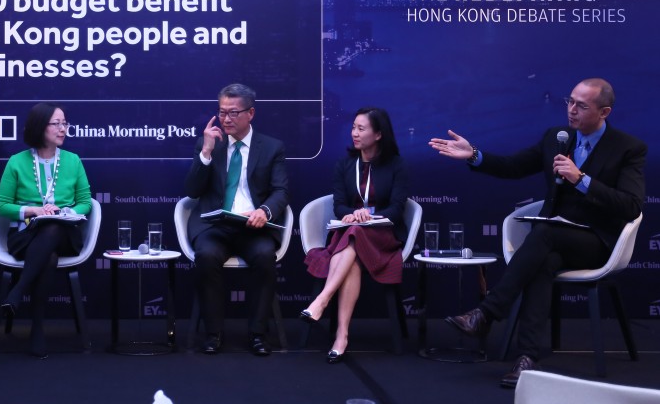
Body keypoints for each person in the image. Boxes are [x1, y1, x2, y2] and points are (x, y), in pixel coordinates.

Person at [429, 77, 645, 388]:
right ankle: (526, 359)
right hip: (553, 242)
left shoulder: (628, 148)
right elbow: (514, 166)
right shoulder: (556, 137)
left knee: (543, 233)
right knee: (543, 258)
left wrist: (580, 179)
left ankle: (488, 312)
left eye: (581, 106)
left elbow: (631, 205)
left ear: (604, 112)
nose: (571, 111)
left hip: (596, 241)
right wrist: (474, 154)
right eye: (569, 101)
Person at [185, 83, 290, 356]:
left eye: (233, 113)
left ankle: (257, 334)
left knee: (265, 257)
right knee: (206, 256)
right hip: (214, 225)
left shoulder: (272, 147)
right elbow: (193, 191)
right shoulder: (209, 142)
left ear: (250, 113)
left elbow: (280, 191)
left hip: (252, 226)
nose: (226, 119)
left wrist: (264, 211)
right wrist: (205, 152)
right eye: (222, 113)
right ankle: (213, 334)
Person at [300, 107, 409, 364]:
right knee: (354, 242)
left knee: (356, 233)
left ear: (379, 134)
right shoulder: (345, 164)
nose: (355, 134)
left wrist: (368, 217)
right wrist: (351, 214)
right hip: (351, 233)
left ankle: (322, 299)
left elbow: (397, 208)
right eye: (353, 128)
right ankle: (342, 335)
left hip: (383, 236)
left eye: (361, 129)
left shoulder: (396, 165)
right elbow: (339, 205)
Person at [0, 102, 92, 359]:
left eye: (65, 123)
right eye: (56, 124)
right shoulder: (17, 162)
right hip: (26, 236)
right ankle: (37, 328)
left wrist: (62, 212)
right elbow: (2, 206)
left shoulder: (73, 161)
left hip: (64, 234)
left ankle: (18, 291)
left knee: (53, 227)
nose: (63, 129)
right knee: (47, 256)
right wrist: (34, 211)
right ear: (40, 127)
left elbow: (86, 200)